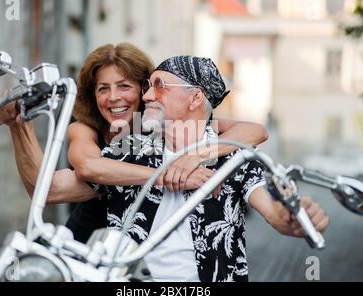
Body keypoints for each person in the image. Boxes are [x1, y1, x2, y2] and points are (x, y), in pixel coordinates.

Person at [81, 55, 329, 282]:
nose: (146, 96)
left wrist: (291, 218)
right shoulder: (129, 149)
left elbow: (271, 210)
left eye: (160, 86)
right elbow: (63, 185)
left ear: (196, 98)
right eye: (148, 86)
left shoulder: (233, 156)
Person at [0, 43, 269, 243]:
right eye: (103, 89)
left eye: (124, 86)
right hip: (86, 245)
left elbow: (254, 131)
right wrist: (18, 124)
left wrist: (194, 156)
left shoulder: (168, 131)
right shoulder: (85, 130)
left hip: (136, 263)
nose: (113, 97)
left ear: (145, 90)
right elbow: (61, 182)